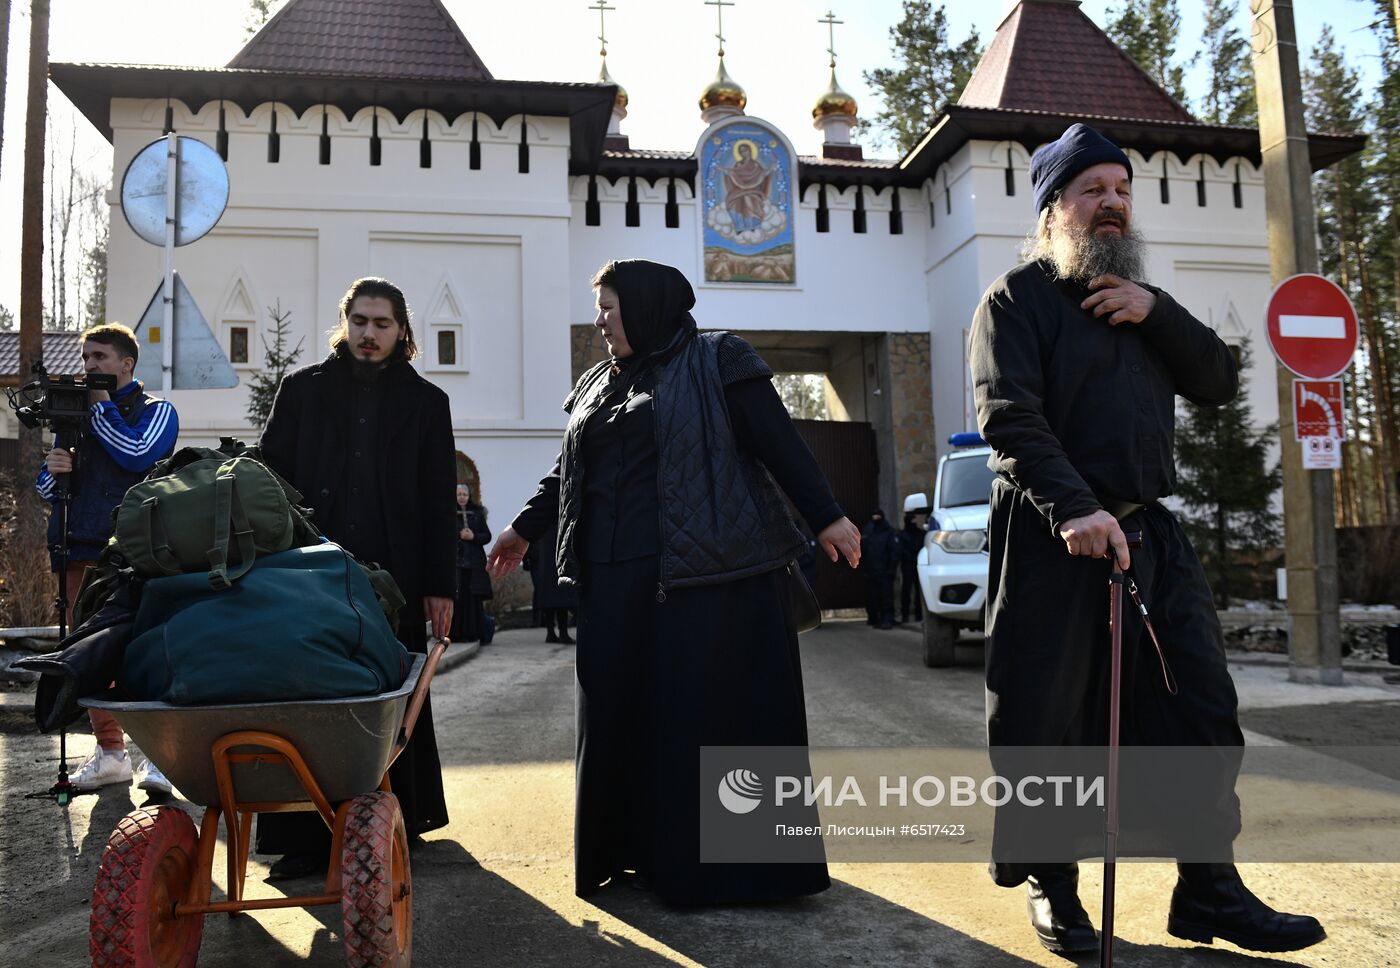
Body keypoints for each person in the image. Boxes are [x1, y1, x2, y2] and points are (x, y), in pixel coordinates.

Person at [968, 123, 1323, 954]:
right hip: (1057, 541)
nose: (1113, 205)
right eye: (1092, 192)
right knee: (1052, 722)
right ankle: (1055, 887)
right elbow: (1009, 419)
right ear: (1054, 209)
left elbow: (1217, 378)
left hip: (1149, 538)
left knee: (1198, 709)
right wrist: (1075, 509)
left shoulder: (1143, 305)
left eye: (1122, 191)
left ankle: (1210, 889)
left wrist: (1156, 312)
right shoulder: (1014, 301)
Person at [487, 259, 861, 905]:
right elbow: (566, 472)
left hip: (706, 581)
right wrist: (524, 527)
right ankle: (632, 853)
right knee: (620, 719)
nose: (601, 320)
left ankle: (732, 870)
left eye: (610, 307)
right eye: (599, 308)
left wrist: (827, 515)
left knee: (699, 725)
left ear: (648, 304)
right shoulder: (596, 384)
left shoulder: (719, 359)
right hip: (610, 584)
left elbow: (779, 442)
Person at [256, 276, 456, 878]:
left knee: (393, 693)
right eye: (361, 321)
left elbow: (438, 502)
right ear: (345, 322)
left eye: (384, 324)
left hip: (395, 573)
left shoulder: (427, 404)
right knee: (310, 694)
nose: (370, 334)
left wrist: (442, 584)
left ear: (402, 332)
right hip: (310, 573)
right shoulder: (301, 392)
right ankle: (304, 835)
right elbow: (269, 483)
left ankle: (398, 820)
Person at [35, 323, 178, 795]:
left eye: (100, 357)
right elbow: (45, 490)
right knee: (88, 657)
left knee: (143, 650)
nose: (90, 366)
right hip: (77, 548)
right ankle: (111, 754)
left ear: (126, 364)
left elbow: (138, 455)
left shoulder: (156, 412)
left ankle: (162, 757)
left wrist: (101, 409)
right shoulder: (74, 415)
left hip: (134, 553)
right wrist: (55, 471)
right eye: (87, 358)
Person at [522, 516, 577, 644]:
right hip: (544, 559)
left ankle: (557, 632)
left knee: (555, 596)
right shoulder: (547, 512)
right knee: (552, 596)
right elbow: (528, 535)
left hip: (550, 559)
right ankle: (553, 632)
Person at [451, 483, 492, 643]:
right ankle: (455, 634)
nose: (461, 497)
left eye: (464, 494)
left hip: (474, 563)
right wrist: (459, 535)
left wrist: (473, 536)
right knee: (458, 598)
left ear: (469, 496)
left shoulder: (477, 512)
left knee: (472, 599)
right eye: (459, 494)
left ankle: (473, 633)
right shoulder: (449, 512)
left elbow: (487, 536)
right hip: (457, 562)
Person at [860, 510, 897, 630]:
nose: (876, 518)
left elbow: (894, 552)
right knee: (873, 598)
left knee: (886, 598)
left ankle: (887, 619)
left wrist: (891, 569)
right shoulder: (868, 530)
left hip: (885, 572)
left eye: (878, 516)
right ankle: (875, 619)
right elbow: (863, 551)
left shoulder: (889, 531)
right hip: (871, 572)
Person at [896, 511, 924, 625]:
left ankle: (919, 614)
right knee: (906, 591)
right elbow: (900, 550)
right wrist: (910, 557)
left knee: (918, 591)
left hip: (918, 565)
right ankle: (905, 614)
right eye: (911, 520)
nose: (913, 522)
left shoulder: (920, 533)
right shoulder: (902, 535)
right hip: (907, 565)